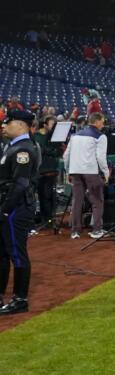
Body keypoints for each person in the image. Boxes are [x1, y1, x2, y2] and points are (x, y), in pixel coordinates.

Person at [0, 109, 41, 315]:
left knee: (17, 253)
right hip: (8, 206)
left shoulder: (23, 149)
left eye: (8, 122)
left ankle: (20, 299)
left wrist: (5, 210)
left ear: (21, 125)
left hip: (16, 208)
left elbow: (21, 184)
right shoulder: (13, 146)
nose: (4, 126)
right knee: (2, 253)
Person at [64, 112, 108, 239]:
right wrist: (106, 172)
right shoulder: (100, 136)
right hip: (91, 171)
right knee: (97, 201)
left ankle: (75, 231)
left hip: (75, 171)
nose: (103, 124)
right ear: (97, 121)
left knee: (77, 201)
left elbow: (66, 155)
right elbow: (100, 157)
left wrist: (68, 171)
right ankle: (97, 230)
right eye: (102, 121)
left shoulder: (75, 135)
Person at [34, 115, 61, 233]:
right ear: (44, 124)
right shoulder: (37, 136)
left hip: (52, 168)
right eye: (52, 123)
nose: (54, 126)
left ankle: (51, 218)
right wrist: (52, 151)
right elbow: (43, 150)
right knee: (44, 195)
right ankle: (46, 219)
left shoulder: (54, 136)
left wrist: (53, 151)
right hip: (41, 170)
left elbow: (58, 151)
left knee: (51, 194)